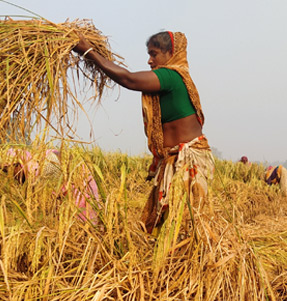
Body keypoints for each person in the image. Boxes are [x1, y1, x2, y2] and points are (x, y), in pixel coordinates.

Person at [74, 31, 214, 234]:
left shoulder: (172, 76)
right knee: (167, 225)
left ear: (170, 52)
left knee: (184, 227)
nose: (149, 60)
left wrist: (88, 52)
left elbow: (129, 79)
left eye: (154, 54)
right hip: (174, 160)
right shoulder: (174, 78)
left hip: (186, 161)